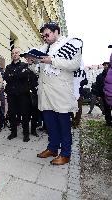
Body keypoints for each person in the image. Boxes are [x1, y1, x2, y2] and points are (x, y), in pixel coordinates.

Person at [26, 22, 83, 165]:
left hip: (60, 92)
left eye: (47, 34)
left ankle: (65, 154)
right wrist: (32, 63)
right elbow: (39, 71)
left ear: (56, 31)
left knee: (63, 124)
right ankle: (52, 148)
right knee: (50, 123)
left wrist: (52, 60)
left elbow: (74, 65)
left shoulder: (69, 43)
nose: (45, 38)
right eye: (43, 36)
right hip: (45, 93)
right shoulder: (43, 48)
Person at [4, 48, 39, 142]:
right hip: (11, 94)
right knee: (12, 114)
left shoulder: (25, 65)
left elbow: (28, 76)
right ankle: (13, 133)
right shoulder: (8, 67)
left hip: (23, 94)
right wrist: (18, 74)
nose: (14, 54)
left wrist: (14, 75)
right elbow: (6, 78)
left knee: (25, 114)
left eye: (16, 53)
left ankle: (26, 134)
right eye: (13, 53)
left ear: (19, 54)